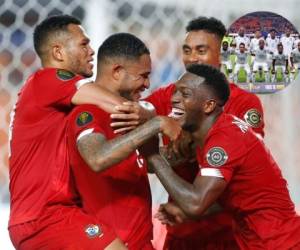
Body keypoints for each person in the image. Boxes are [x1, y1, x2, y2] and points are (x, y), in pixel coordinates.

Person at [8, 15, 144, 249]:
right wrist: (156, 119)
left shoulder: (40, 91)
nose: (91, 51)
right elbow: (120, 107)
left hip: (33, 218)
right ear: (58, 53)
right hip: (47, 215)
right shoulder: (49, 79)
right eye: (83, 44)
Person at [141, 16, 265, 249]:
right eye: (187, 50)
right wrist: (161, 128)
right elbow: (137, 121)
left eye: (201, 50)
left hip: (230, 233)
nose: (192, 58)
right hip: (181, 233)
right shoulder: (167, 96)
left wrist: (187, 146)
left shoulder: (244, 103)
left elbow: (244, 177)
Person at [150, 63, 300, 250]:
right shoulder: (208, 134)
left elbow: (195, 203)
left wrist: (153, 156)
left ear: (208, 105)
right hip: (258, 241)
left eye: (185, 94)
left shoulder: (224, 139)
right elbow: (241, 199)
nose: (174, 99)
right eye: (175, 92)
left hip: (280, 243)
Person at [67, 33, 182, 250]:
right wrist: (155, 124)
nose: (148, 84)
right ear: (117, 72)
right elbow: (98, 158)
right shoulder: (87, 113)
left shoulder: (130, 115)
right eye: (143, 76)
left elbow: (144, 162)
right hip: (111, 243)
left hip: (142, 242)